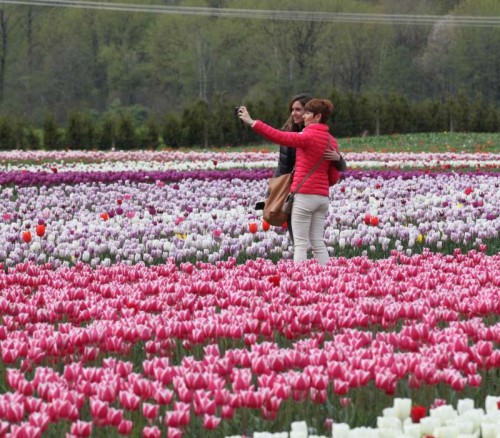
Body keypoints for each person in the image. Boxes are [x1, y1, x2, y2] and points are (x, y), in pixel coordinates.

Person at [238, 98, 338, 266]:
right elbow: (334, 177)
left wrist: (252, 122)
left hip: (304, 197)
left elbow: (278, 136)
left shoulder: (306, 136)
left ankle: (300, 281)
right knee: (318, 243)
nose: (304, 117)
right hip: (322, 199)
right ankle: (329, 278)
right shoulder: (331, 141)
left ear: (318, 116)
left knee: (300, 244)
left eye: (307, 113)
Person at [257, 93, 345, 244]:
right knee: (307, 240)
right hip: (296, 192)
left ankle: (306, 267)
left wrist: (339, 160)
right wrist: (271, 194)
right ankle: (312, 267)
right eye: (292, 109)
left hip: (304, 192)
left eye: (299, 110)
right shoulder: (292, 133)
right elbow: (282, 167)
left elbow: (334, 168)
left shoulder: (313, 136)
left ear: (312, 114)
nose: (294, 113)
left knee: (303, 242)